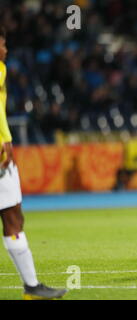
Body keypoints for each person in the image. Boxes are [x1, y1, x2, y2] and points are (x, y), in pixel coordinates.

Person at [0, 27, 67, 299]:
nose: (5, 50)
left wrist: (6, 141)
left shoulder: (1, 68)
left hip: (4, 154)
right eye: (2, 45)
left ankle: (31, 287)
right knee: (12, 217)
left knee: (14, 217)